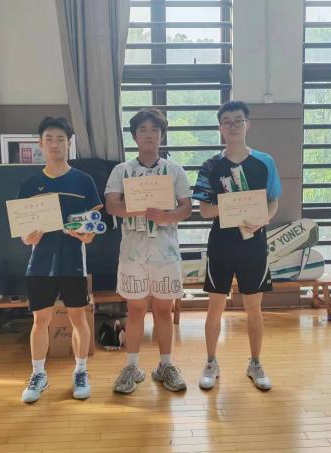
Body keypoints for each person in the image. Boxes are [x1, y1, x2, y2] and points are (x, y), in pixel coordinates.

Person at [192, 100, 282, 391]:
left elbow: (273, 200)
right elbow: (205, 210)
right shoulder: (210, 166)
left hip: (253, 243)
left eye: (238, 120)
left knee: (254, 308)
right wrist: (232, 204)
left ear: (247, 124)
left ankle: (255, 362)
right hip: (221, 244)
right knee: (215, 307)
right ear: (220, 128)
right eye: (227, 122)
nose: (233, 126)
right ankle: (211, 362)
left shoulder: (264, 162)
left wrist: (263, 219)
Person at [105, 108, 192, 393]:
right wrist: (137, 208)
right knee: (136, 309)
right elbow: (111, 205)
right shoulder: (122, 170)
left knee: (164, 310)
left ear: (162, 135)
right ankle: (131, 367)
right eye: (143, 129)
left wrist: (168, 216)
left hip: (165, 251)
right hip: (133, 252)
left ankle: (165, 365)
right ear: (134, 136)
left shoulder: (175, 170)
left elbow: (186, 207)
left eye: (154, 130)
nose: (149, 134)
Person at [19, 117, 102, 403]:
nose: (55, 144)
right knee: (40, 319)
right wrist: (28, 238)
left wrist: (88, 235)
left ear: (69, 144)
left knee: (78, 317)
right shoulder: (30, 184)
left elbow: (93, 223)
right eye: (49, 139)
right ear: (40, 144)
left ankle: (81, 371)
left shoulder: (84, 181)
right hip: (40, 263)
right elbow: (24, 232)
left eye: (61, 139)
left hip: (73, 262)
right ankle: (38, 374)